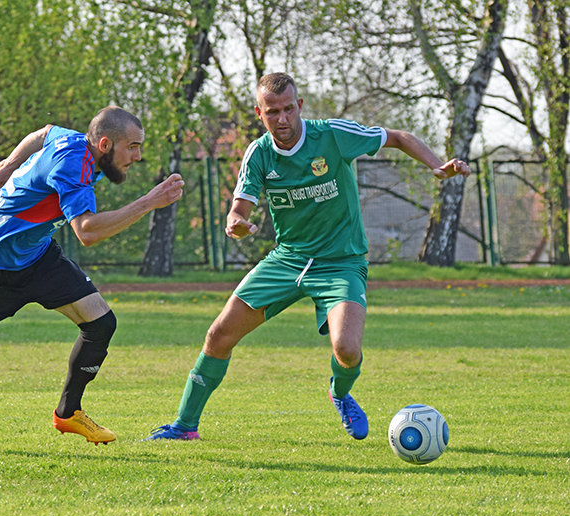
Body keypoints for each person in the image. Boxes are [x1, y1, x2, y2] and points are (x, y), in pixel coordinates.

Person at [144, 72, 470, 442]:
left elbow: (396, 137)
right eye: (272, 112)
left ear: (299, 106)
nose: (282, 119)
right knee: (219, 335)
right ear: (259, 113)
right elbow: (239, 209)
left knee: (347, 349)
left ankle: (340, 392)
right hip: (287, 260)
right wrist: (236, 223)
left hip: (341, 262)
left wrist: (435, 165)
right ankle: (184, 427)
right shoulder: (259, 153)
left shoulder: (331, 135)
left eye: (288, 109)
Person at [0, 106, 185, 449]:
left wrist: (8, 166)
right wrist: (149, 202)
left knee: (101, 322)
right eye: (132, 147)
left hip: (37, 258)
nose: (137, 156)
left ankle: (69, 412)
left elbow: (42, 133)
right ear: (104, 144)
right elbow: (87, 231)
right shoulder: (74, 165)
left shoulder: (75, 141)